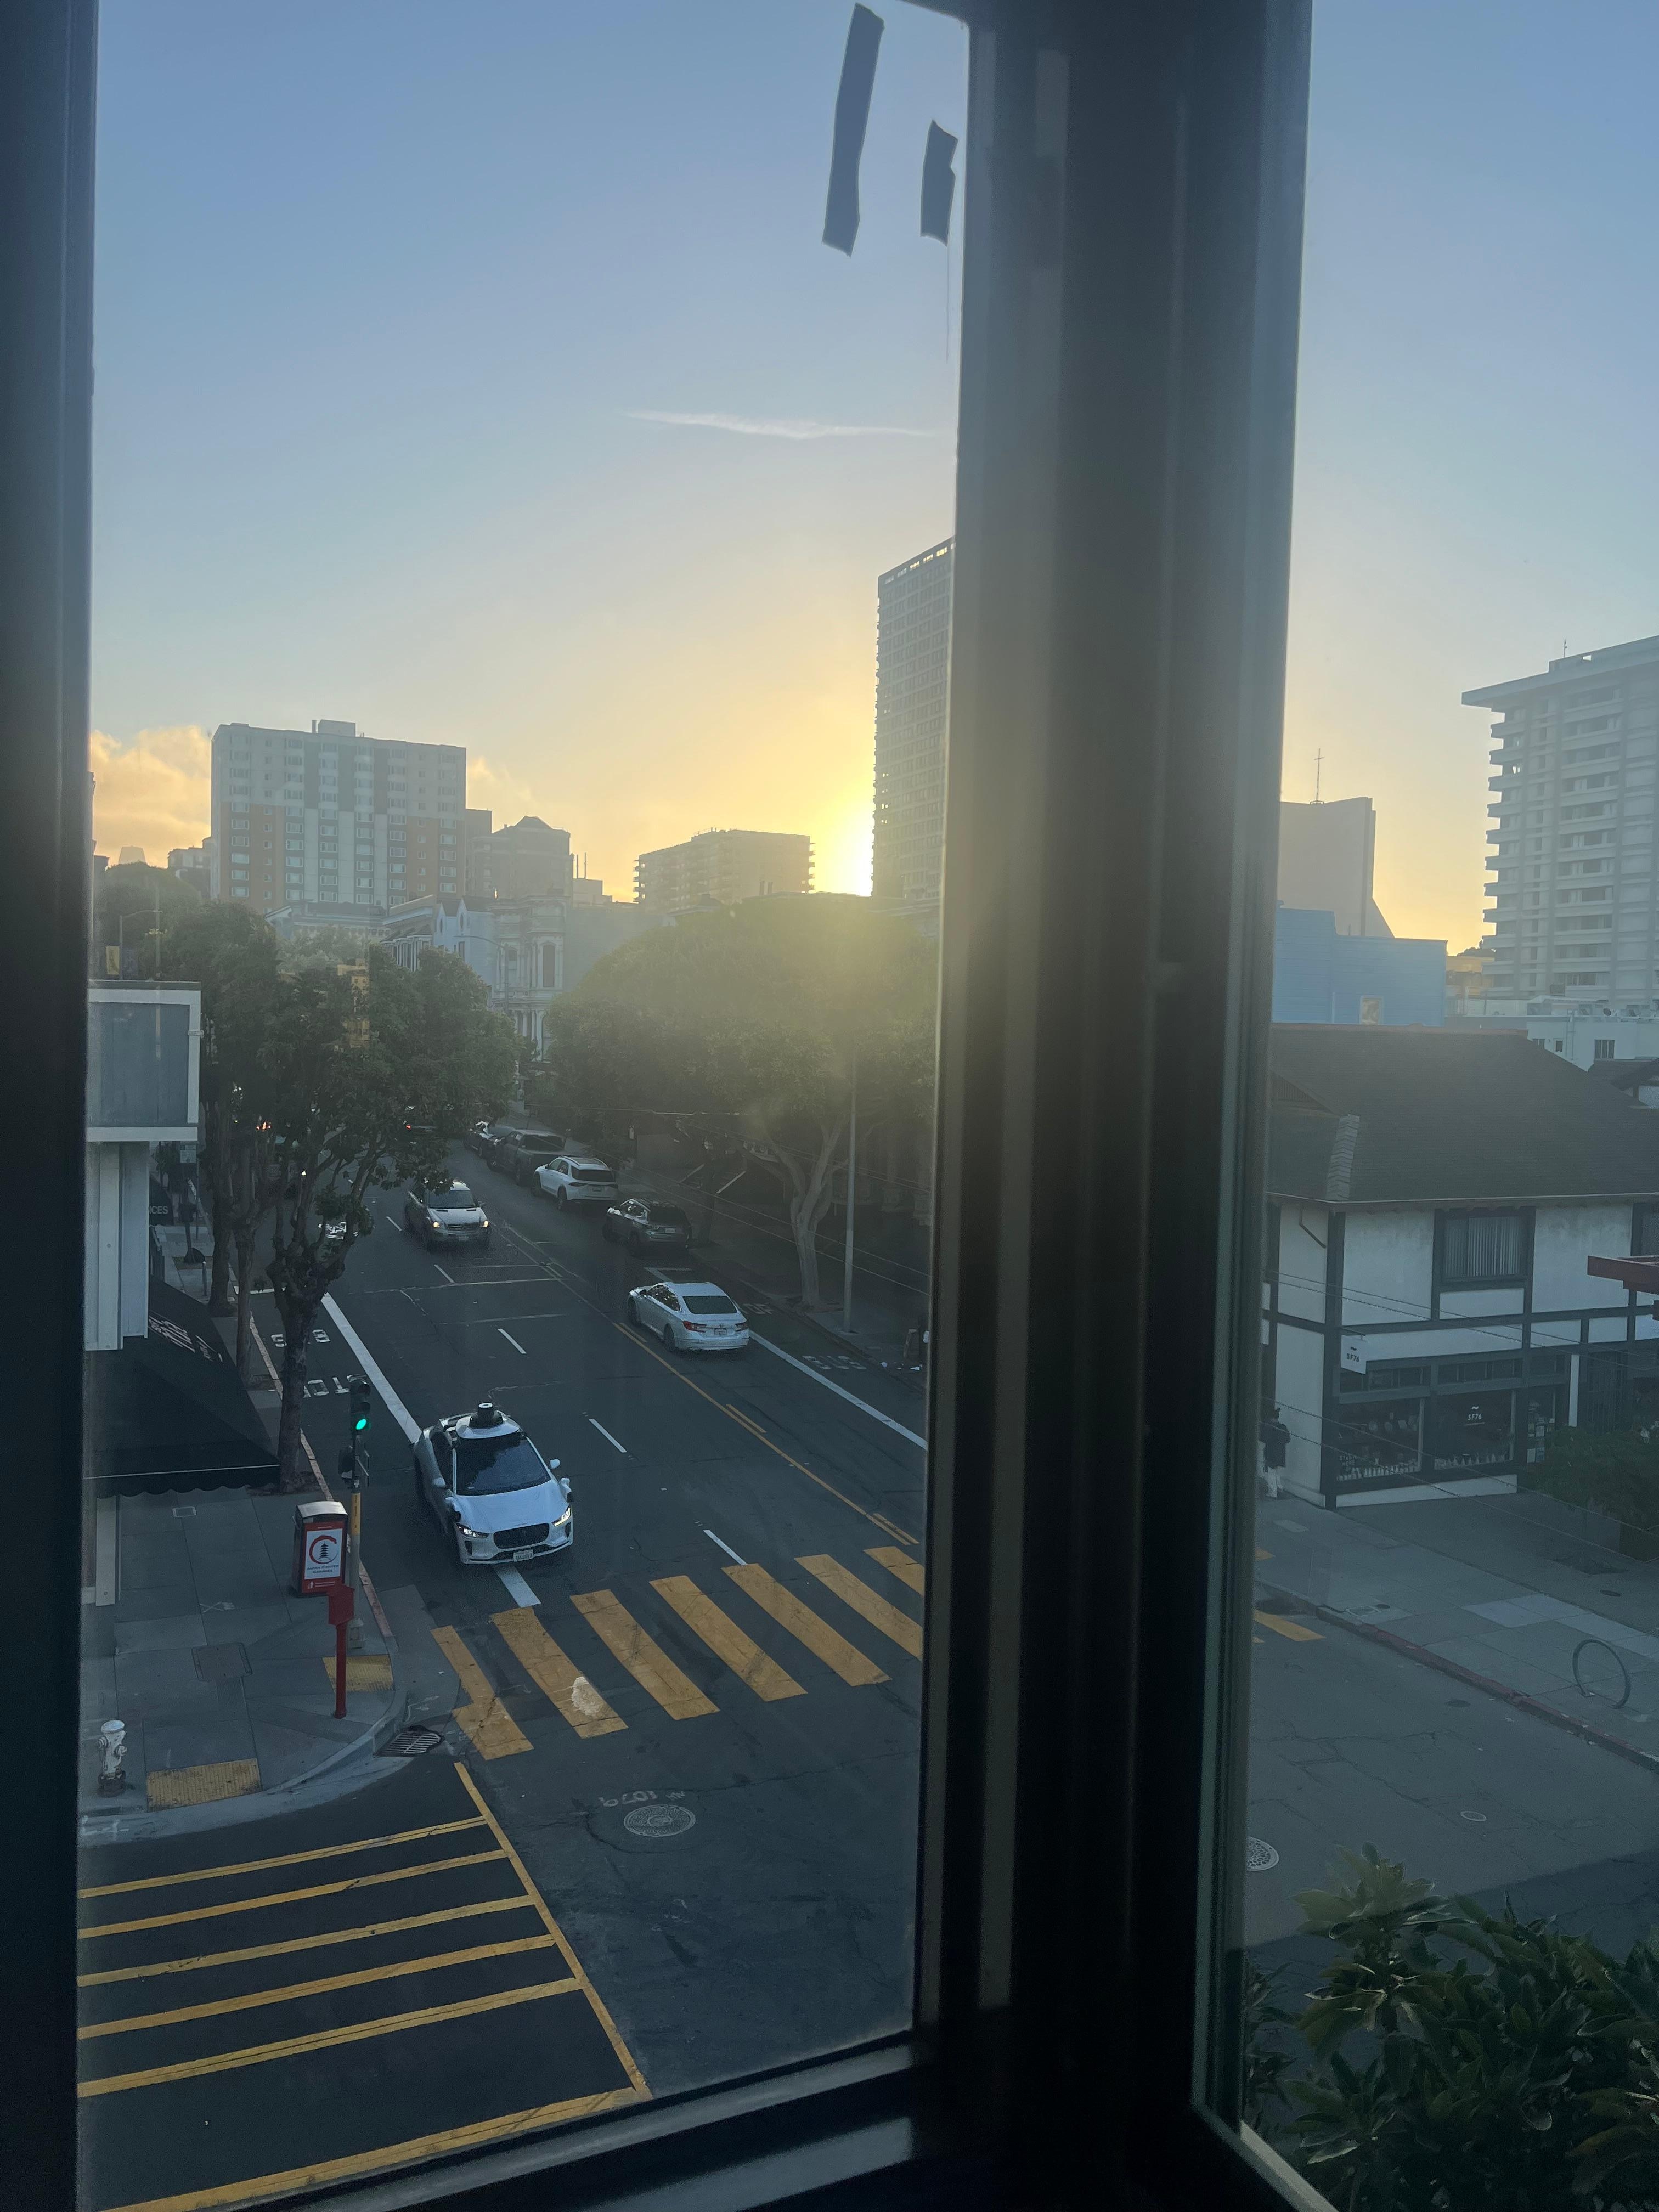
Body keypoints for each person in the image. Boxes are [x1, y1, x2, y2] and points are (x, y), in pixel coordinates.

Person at [1259, 1404, 1289, 1498]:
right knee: (1277, 1471)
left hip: (1271, 1453)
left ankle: (1273, 1492)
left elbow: (1264, 1439)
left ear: (1271, 1418)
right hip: (1281, 1453)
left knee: (1271, 1473)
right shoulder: (1283, 1427)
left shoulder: (1270, 1428)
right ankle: (1279, 1487)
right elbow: (1288, 1440)